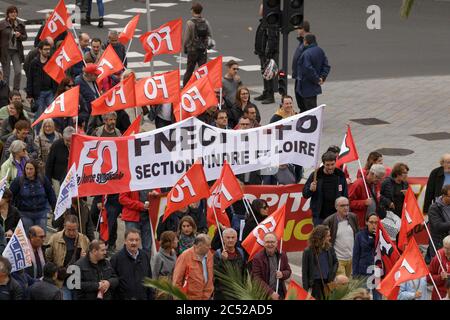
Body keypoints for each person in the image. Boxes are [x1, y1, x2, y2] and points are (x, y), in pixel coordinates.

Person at [45, 215, 90, 300]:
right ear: (64, 226)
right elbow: (47, 258)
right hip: (61, 281)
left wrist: (85, 259)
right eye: (69, 230)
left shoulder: (84, 239)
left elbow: (91, 260)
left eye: (74, 230)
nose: (72, 233)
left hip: (78, 281)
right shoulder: (55, 238)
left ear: (78, 227)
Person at [303, 151, 349, 226]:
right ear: (323, 164)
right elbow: (305, 194)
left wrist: (345, 212)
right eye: (327, 165)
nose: (330, 167)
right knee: (321, 237)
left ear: (335, 162)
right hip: (320, 217)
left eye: (332, 164)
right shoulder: (316, 175)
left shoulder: (340, 175)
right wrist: (310, 189)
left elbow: (345, 195)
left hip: (336, 216)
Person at [10, 160, 56, 233]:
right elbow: (10, 196)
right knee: (28, 237)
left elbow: (51, 194)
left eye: (31, 169)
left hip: (41, 213)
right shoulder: (18, 181)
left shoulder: (43, 179)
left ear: (35, 170)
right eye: (27, 168)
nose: (28, 171)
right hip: (24, 214)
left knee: (40, 237)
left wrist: (55, 210)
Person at [110, 229, 153, 300]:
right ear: (125, 241)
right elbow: (113, 283)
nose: (134, 243)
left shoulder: (144, 256)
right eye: (131, 240)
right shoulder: (116, 259)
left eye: (137, 240)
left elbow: (149, 279)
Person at [322, 197, 358, 278]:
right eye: (342, 205)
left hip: (352, 259)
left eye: (347, 205)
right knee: (342, 285)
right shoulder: (329, 221)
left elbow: (357, 235)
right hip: (338, 260)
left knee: (351, 285)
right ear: (336, 207)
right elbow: (325, 242)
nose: (346, 208)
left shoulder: (353, 217)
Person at [26, 40, 57, 132]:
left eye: (49, 49)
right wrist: (29, 95)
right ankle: (36, 134)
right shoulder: (34, 63)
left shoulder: (52, 61)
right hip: (39, 93)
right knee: (39, 116)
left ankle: (52, 131)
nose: (48, 51)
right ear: (40, 50)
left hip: (50, 92)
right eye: (45, 49)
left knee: (53, 114)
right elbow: (30, 79)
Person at [173, 234, 214, 300]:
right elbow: (177, 281)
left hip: (206, 297)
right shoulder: (185, 256)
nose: (210, 247)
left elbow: (211, 276)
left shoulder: (209, 254)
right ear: (199, 246)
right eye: (208, 245)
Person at [302, 225, 338, 300]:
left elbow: (336, 262)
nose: (330, 238)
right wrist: (305, 291)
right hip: (316, 285)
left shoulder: (330, 248)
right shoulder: (308, 251)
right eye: (327, 236)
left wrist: (332, 275)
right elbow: (304, 272)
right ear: (320, 237)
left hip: (328, 282)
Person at [252, 232, 292, 300]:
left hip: (280, 293)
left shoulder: (282, 254)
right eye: (267, 242)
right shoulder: (257, 258)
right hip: (264, 294)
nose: (270, 244)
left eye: (272, 242)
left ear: (276, 243)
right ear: (264, 243)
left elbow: (288, 271)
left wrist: (282, 274)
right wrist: (270, 292)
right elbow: (256, 279)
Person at [296, 33, 330, 110]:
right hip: (313, 87)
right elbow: (326, 65)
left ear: (306, 41)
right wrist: (322, 77)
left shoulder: (306, 53)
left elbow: (308, 69)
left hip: (306, 85)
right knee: (312, 105)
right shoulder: (320, 50)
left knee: (308, 109)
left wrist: (317, 79)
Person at [182, 2, 213, 86]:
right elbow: (210, 35)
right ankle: (205, 87)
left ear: (192, 11)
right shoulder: (205, 22)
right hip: (202, 50)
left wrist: (185, 48)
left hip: (192, 50)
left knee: (189, 71)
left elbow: (186, 38)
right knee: (203, 71)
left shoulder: (190, 23)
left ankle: (185, 88)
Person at [119, 189, 159, 254]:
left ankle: (145, 263)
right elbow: (122, 199)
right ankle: (128, 263)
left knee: (147, 247)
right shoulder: (129, 180)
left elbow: (158, 195)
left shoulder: (153, 180)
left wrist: (156, 195)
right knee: (131, 245)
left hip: (148, 217)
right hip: (132, 218)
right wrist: (141, 206)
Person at [349, 164, 388, 229]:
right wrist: (363, 203)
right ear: (372, 173)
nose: (379, 180)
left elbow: (378, 197)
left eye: (381, 179)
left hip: (373, 221)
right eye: (377, 177)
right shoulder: (358, 184)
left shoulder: (376, 184)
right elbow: (349, 203)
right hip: (361, 223)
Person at [254, 4, 278, 105]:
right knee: (265, 73)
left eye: (261, 8)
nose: (259, 10)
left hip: (267, 54)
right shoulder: (264, 22)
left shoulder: (269, 23)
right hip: (262, 53)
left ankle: (270, 95)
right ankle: (266, 92)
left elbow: (272, 39)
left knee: (269, 74)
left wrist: (268, 53)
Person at [352, 212, 381, 298]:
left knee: (378, 297)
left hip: (378, 273)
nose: (374, 225)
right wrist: (355, 274)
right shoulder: (360, 236)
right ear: (366, 222)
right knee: (363, 296)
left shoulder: (382, 236)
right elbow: (356, 256)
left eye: (376, 223)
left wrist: (378, 238)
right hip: (364, 272)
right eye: (371, 222)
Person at [213, 228, 246, 300]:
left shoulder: (241, 252)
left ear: (236, 239)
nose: (230, 240)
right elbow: (215, 274)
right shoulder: (218, 254)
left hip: (237, 292)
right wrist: (223, 260)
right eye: (228, 237)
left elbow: (244, 272)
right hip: (222, 293)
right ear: (223, 239)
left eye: (233, 237)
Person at [0, 6, 27, 91]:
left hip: (16, 51)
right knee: (6, 74)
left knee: (18, 72)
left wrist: (20, 36)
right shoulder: (2, 24)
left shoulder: (20, 24)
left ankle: (16, 91)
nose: (13, 14)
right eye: (11, 12)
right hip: (5, 51)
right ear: (8, 14)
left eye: (15, 12)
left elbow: (25, 37)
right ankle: (6, 92)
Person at [45, 126, 75, 196]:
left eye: (71, 140)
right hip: (57, 179)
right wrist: (48, 181)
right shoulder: (56, 145)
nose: (69, 143)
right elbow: (49, 164)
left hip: (72, 179)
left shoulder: (77, 144)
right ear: (63, 138)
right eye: (67, 141)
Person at [75, 64, 101, 132]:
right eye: (95, 74)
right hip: (88, 115)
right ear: (89, 74)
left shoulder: (93, 81)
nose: (97, 76)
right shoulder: (78, 82)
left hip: (95, 111)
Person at [292, 21, 310, 112]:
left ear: (303, 29)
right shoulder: (302, 40)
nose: (297, 31)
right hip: (299, 75)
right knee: (298, 94)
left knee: (303, 96)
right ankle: (302, 111)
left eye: (299, 29)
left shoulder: (308, 41)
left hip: (303, 76)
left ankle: (305, 113)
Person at [428, 185, 450, 257]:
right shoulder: (434, 208)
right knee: (440, 266)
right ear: (444, 196)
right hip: (439, 244)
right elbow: (438, 226)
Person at [428, 235, 450, 300]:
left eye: (449, 249)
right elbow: (428, 278)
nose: (446, 251)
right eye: (445, 248)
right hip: (439, 295)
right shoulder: (438, 257)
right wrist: (440, 277)